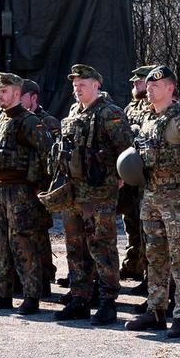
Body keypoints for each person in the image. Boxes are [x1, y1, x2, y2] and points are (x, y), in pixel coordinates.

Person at [123, 66, 180, 338]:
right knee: (154, 256)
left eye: (155, 85)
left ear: (170, 88)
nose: (149, 89)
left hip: (176, 200)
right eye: (148, 85)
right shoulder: (147, 119)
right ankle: (156, 310)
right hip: (150, 197)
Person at [54, 64, 134, 325]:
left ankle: (108, 301)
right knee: (75, 245)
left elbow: (126, 150)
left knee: (102, 245)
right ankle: (80, 297)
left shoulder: (110, 113)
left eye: (83, 84)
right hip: (74, 190)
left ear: (96, 85)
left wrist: (120, 178)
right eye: (75, 85)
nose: (77, 89)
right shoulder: (74, 111)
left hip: (100, 192)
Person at [0, 73, 54, 315]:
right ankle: (2, 293)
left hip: (21, 191)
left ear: (17, 94)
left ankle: (31, 295)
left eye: (4, 92)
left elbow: (48, 155)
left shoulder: (29, 122)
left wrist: (40, 188)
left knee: (23, 242)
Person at [119, 65, 156, 288]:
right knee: (130, 221)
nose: (135, 84)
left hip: (148, 175)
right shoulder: (130, 107)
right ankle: (133, 264)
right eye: (134, 81)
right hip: (131, 172)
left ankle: (151, 275)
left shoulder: (156, 106)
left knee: (147, 227)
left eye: (139, 81)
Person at [22, 79, 61, 289]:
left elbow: (52, 157)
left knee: (39, 231)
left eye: (21, 96)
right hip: (21, 185)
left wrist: (44, 186)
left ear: (33, 98)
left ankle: (45, 275)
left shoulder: (47, 121)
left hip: (39, 186)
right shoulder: (17, 120)